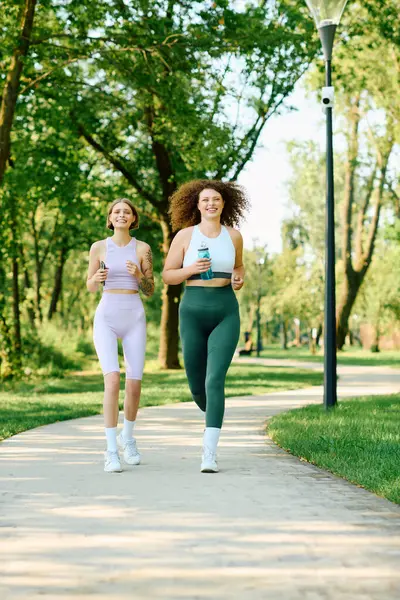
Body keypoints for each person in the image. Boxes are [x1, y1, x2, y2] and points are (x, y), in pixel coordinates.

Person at [162, 180, 249, 473]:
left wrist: (238, 278)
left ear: (224, 204)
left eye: (216, 199)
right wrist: (190, 269)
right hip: (192, 311)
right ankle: (210, 406)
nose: (211, 204)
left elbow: (238, 267)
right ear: (196, 205)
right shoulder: (185, 236)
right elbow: (168, 276)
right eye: (205, 200)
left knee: (215, 381)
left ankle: (209, 453)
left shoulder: (234, 236)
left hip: (225, 310)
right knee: (197, 386)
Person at [87, 198, 154, 473]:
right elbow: (90, 287)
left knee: (134, 383)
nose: (121, 215)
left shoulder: (144, 249)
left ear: (133, 218)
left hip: (134, 316)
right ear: (110, 218)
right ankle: (111, 450)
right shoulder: (99, 247)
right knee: (112, 380)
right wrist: (97, 277)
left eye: (126, 212)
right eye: (117, 212)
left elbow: (150, 289)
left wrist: (139, 274)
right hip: (107, 316)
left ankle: (129, 438)